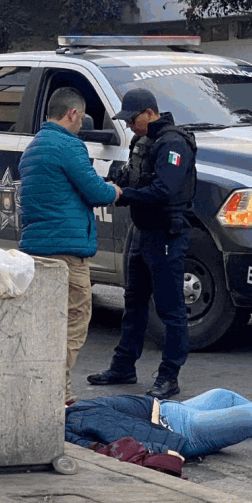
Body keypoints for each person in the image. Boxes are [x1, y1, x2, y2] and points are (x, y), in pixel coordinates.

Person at [87, 88, 197, 399]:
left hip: (166, 233)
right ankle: (123, 366)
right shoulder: (142, 141)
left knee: (170, 308)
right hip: (141, 231)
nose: (130, 126)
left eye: (133, 119)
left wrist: (124, 195)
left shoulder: (175, 144)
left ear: (150, 113)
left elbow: (164, 190)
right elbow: (129, 175)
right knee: (133, 303)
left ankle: (169, 376)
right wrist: (111, 183)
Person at [18, 87, 120, 404]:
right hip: (67, 252)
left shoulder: (32, 148)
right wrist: (115, 189)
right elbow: (96, 192)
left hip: (36, 251)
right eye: (80, 120)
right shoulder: (68, 146)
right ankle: (55, 391)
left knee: (47, 323)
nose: (81, 127)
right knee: (74, 322)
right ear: (72, 114)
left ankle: (43, 390)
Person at [66, 389, 252, 460]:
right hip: (180, 431)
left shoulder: (67, 410)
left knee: (225, 395)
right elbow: (99, 448)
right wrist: (164, 450)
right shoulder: (65, 427)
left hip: (172, 409)